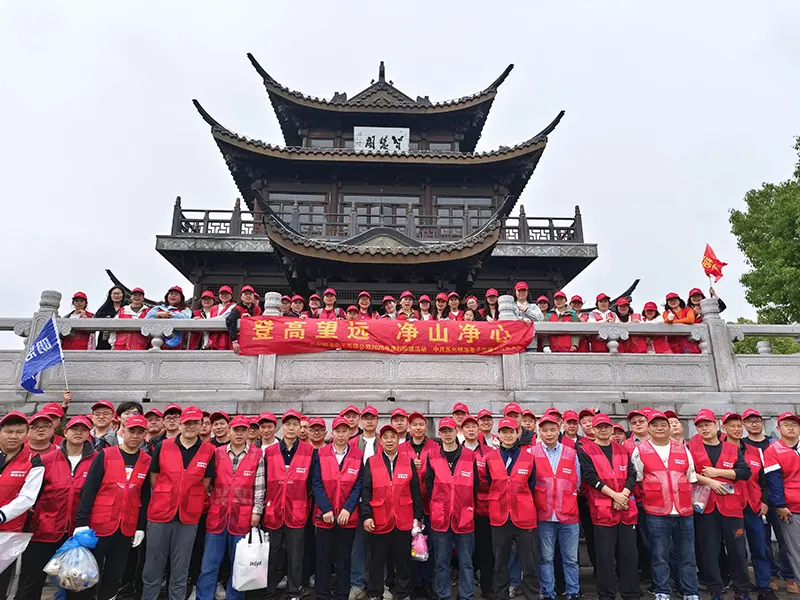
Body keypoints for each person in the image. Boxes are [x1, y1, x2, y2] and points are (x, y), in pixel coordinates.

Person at [17, 415, 96, 600]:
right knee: (32, 581)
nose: (78, 433)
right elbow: (31, 492)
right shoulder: (46, 459)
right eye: (74, 429)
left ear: (89, 434)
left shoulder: (97, 460)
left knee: (76, 583)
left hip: (78, 533)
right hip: (44, 529)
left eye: (83, 429)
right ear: (65, 432)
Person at [72, 415, 151, 600]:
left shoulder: (146, 460)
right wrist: (82, 522)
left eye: (140, 432)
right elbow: (89, 489)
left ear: (144, 435)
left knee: (115, 573)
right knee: (90, 571)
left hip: (126, 526)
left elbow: (144, 496)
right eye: (132, 431)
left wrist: (140, 526)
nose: (135, 436)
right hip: (99, 524)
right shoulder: (106, 455)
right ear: (123, 431)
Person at [142, 406, 215, 600]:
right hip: (160, 513)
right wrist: (167, 493)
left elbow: (205, 482)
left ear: (201, 425)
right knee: (153, 567)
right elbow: (154, 476)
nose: (191, 426)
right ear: (181, 424)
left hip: (188, 516)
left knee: (181, 567)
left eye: (195, 423)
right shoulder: (164, 446)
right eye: (187, 422)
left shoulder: (209, 451)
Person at [630, 411, 699, 600]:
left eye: (663, 425)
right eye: (655, 425)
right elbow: (637, 479)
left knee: (688, 554)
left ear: (669, 428)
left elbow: (691, 477)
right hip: (656, 512)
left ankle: (690, 591)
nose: (659, 428)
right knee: (659, 554)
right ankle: (662, 590)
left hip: (684, 511)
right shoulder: (640, 450)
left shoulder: (682, 449)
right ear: (649, 428)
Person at [196, 415, 264, 600]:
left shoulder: (257, 455)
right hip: (217, 515)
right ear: (229, 431)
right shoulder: (216, 453)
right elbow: (207, 483)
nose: (239, 434)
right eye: (236, 430)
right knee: (209, 563)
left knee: (239, 564)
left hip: (243, 516)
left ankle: (235, 597)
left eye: (243, 430)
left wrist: (257, 511)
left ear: (248, 432)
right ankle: (204, 597)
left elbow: (259, 486)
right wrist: (213, 500)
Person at [690, 409, 752, 600]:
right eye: (700, 426)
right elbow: (688, 472)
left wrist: (718, 472)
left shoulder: (732, 448)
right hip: (705, 507)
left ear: (716, 425)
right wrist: (711, 482)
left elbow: (744, 472)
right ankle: (715, 589)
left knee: (737, 551)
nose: (704, 428)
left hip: (731, 507)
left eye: (707, 424)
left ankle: (741, 590)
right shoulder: (692, 449)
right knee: (709, 551)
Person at [578, 413, 639, 600]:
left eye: (606, 427)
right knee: (604, 556)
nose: (603, 430)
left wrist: (623, 495)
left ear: (612, 429)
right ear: (593, 430)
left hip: (625, 508)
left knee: (629, 554)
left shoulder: (622, 449)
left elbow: (632, 474)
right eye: (599, 427)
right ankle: (606, 594)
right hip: (602, 511)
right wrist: (615, 495)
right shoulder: (586, 450)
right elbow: (590, 477)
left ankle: (631, 593)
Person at [361, 424, 424, 600]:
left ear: (398, 440)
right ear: (380, 441)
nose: (389, 441)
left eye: (393, 437)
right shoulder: (371, 462)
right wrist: (366, 516)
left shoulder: (407, 461)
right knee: (376, 560)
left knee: (403, 561)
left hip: (403, 519)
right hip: (379, 519)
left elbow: (415, 491)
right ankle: (375, 593)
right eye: (385, 437)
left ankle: (404, 593)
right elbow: (366, 491)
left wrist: (418, 517)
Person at [721, 413, 776, 600]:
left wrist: (765, 501)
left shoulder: (754, 451)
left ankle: (764, 586)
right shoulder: (720, 449)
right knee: (737, 550)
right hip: (730, 506)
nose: (736, 429)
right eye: (732, 426)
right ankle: (741, 585)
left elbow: (764, 479)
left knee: (760, 546)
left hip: (753, 506)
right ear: (724, 428)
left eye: (739, 426)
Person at [485, 416, 540, 600]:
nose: (508, 435)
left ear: (518, 433)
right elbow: (489, 483)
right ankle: (501, 595)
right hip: (499, 516)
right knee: (500, 563)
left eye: (511, 432)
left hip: (524, 517)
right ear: (499, 435)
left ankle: (532, 595)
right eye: (504, 432)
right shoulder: (490, 458)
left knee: (529, 563)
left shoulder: (529, 458)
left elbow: (532, 486)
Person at [742, 409, 797, 594]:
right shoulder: (742, 446)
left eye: (757, 420)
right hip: (758, 500)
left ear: (763, 422)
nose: (754, 424)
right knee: (762, 541)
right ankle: (771, 575)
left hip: (781, 499)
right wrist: (763, 499)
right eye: (750, 421)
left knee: (785, 540)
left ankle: (789, 576)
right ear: (744, 424)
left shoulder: (773, 443)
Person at [262, 409, 314, 600]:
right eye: (287, 424)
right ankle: (268, 591)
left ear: (300, 427)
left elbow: (312, 483)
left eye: (295, 425)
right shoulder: (270, 452)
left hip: (297, 511)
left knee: (295, 555)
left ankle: (293, 591)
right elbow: (264, 480)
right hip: (273, 510)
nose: (291, 428)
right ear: (281, 427)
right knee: (271, 554)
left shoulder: (309, 452)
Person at [425, 418, 478, 600]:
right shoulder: (432, 456)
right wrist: (439, 503)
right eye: (444, 431)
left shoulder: (470, 456)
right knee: (441, 562)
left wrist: (467, 505)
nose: (447, 434)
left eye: (450, 430)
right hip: (441, 517)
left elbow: (475, 486)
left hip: (464, 516)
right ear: (439, 434)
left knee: (466, 562)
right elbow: (429, 484)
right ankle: (444, 595)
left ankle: (467, 595)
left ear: (457, 431)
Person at [312, 416, 364, 600]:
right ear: (332, 433)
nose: (341, 435)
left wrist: (348, 509)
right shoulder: (320, 453)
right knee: (323, 559)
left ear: (350, 433)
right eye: (338, 431)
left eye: (344, 431)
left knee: (343, 560)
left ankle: (342, 594)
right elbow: (316, 483)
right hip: (324, 516)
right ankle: (322, 594)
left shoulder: (357, 455)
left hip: (346, 517)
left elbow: (358, 484)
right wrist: (326, 508)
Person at [533, 415, 581, 600]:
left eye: (552, 430)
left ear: (559, 430)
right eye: (545, 430)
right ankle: (548, 592)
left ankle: (573, 592)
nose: (549, 434)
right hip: (544, 514)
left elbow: (577, 482)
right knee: (546, 558)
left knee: (571, 559)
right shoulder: (531, 453)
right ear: (539, 432)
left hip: (568, 515)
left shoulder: (571, 453)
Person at [0, 412, 45, 599]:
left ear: (26, 434)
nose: (13, 436)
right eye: (8, 431)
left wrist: (2, 514)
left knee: (2, 582)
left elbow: (27, 497)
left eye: (19, 432)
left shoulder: (33, 461)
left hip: (9, 533)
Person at [763, 412, 800, 587]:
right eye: (786, 424)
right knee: (797, 550)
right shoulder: (773, 450)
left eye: (794, 424)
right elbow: (774, 480)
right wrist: (779, 505)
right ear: (778, 428)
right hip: (791, 508)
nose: (791, 428)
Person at [462, 414, 495, 597]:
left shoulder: (489, 452)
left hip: (483, 509)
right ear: (462, 430)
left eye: (474, 426)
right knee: (465, 553)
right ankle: (465, 589)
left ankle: (487, 587)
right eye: (467, 427)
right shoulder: (457, 451)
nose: (471, 430)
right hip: (462, 509)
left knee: (486, 550)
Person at [227, 285, 262, 354]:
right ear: (241, 297)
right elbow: (230, 321)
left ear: (253, 296)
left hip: (253, 338)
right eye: (246, 294)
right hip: (240, 339)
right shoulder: (236, 309)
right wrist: (234, 341)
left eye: (250, 294)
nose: (248, 296)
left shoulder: (257, 309)